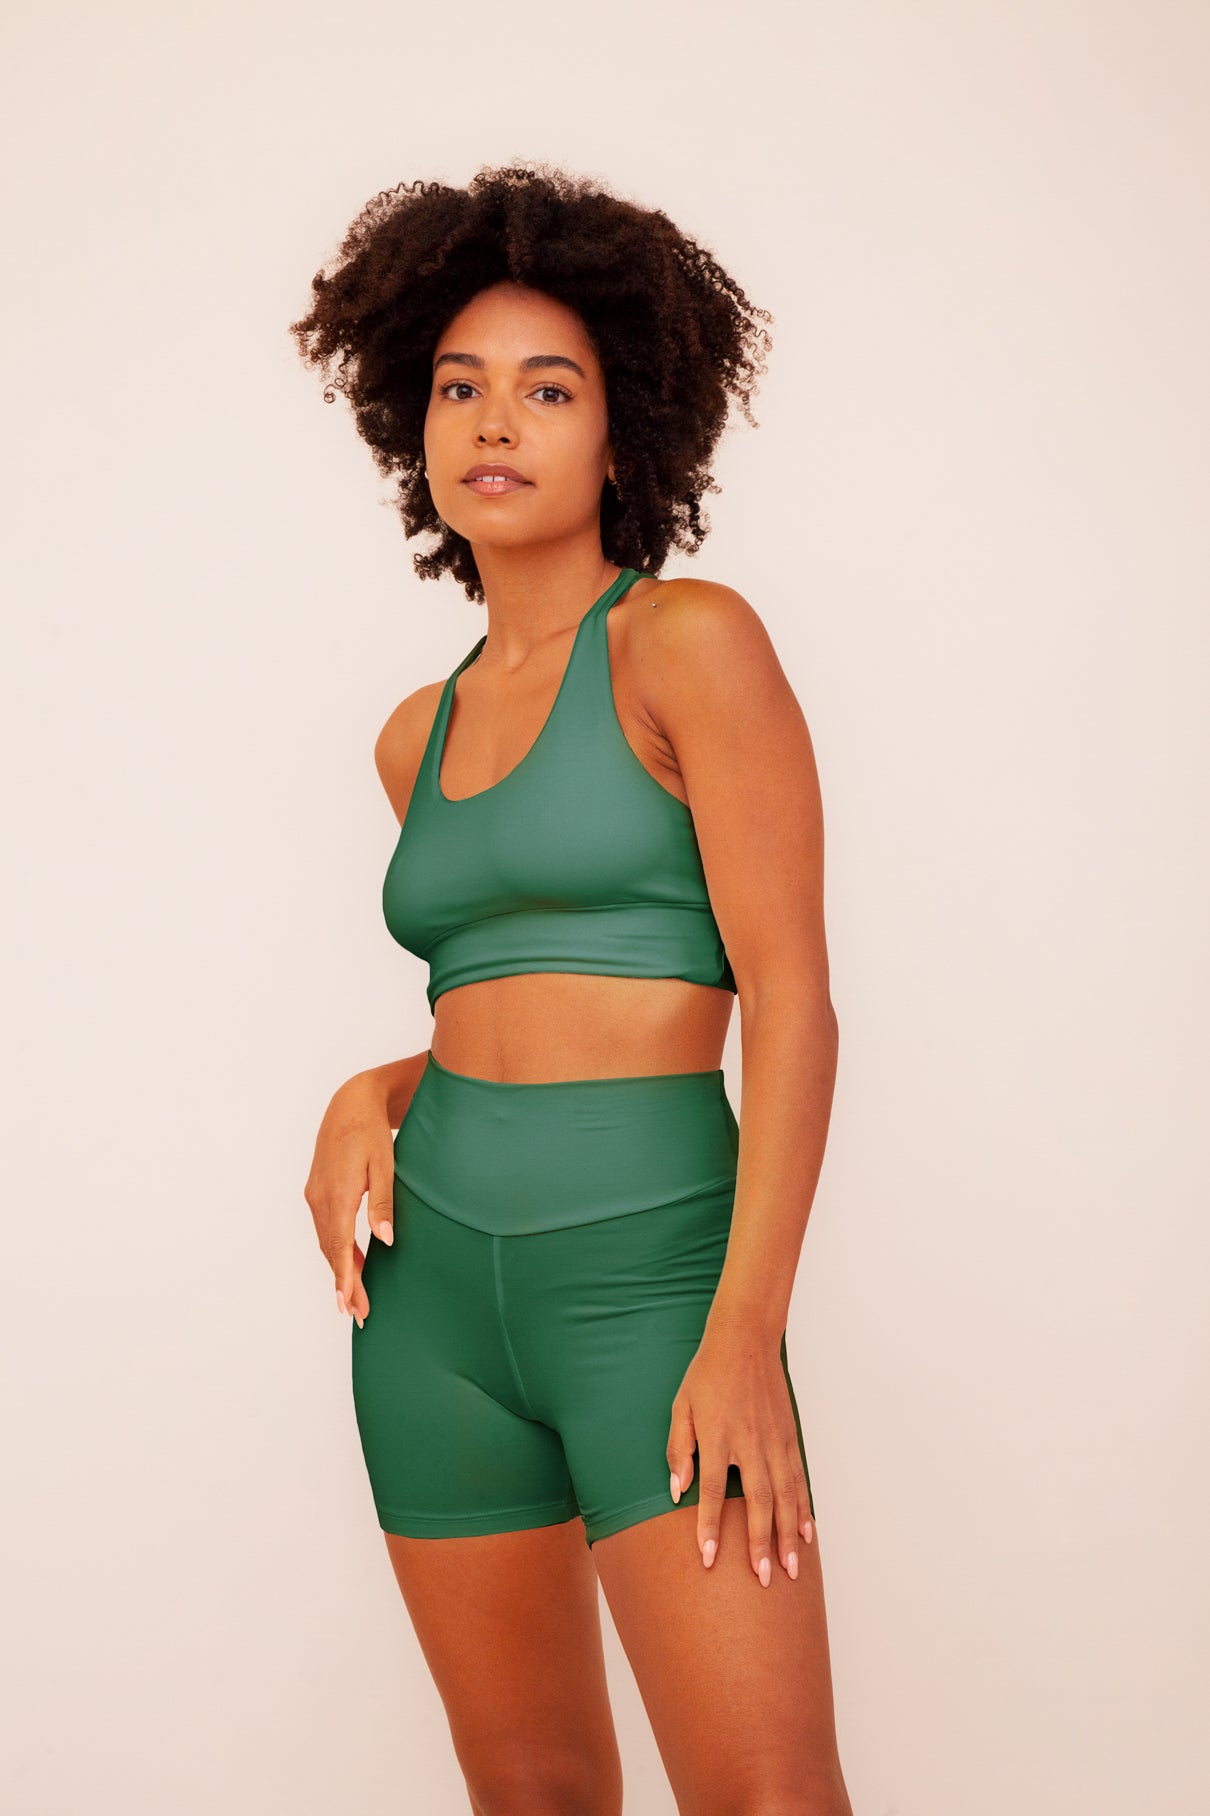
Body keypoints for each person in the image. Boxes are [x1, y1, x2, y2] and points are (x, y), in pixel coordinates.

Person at [292, 163, 853, 1816]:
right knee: (529, 1789)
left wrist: (743, 1332)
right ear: (411, 423)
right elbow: (511, 1002)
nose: (494, 420)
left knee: (766, 1794)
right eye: (457, 385)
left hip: (654, 1290)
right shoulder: (416, 733)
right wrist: (373, 1088)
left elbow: (789, 996)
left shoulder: (684, 643)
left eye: (549, 388)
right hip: (428, 1314)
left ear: (623, 433)